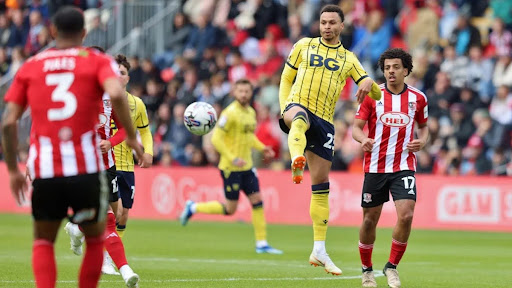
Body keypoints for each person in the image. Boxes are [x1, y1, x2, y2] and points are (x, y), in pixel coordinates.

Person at [1, 6, 140, 288]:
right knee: (95, 238)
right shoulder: (97, 61)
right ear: (84, 33)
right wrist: (133, 138)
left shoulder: (32, 65)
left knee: (43, 240)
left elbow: (8, 122)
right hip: (86, 168)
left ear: (52, 32)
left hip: (46, 168)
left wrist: (13, 168)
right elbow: (116, 93)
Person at [278, 4, 381, 275]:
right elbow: (286, 79)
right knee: (299, 121)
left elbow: (375, 94)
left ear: (341, 26)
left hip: (324, 121)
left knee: (321, 186)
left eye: (332, 22)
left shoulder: (349, 59)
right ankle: (296, 158)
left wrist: (370, 83)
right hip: (298, 105)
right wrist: (284, 107)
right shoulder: (303, 45)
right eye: (323, 22)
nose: (326, 26)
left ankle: (319, 249)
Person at [63, 46, 141, 287]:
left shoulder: (111, 95)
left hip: (107, 165)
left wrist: (111, 141)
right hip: (82, 166)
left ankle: (76, 229)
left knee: (116, 214)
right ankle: (124, 269)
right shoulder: (70, 93)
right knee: (106, 219)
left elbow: (124, 128)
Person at [352, 48, 429, 288]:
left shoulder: (418, 98)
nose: (391, 72)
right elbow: (356, 127)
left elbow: (424, 127)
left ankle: (391, 267)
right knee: (369, 221)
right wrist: (362, 139)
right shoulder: (373, 95)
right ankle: (366, 271)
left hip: (404, 165)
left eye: (395, 67)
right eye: (387, 68)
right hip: (375, 166)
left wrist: (423, 141)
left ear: (406, 70)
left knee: (406, 215)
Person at [180, 78, 282, 255]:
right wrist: (232, 158)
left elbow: (249, 136)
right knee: (230, 209)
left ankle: (262, 243)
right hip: (230, 168)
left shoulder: (251, 112)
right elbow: (216, 139)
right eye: (240, 91)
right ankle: (193, 207)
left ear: (251, 93)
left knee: (257, 201)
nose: (243, 94)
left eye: (246, 91)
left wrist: (262, 147)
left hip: (247, 167)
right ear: (234, 92)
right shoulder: (229, 113)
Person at [111, 53, 154, 238]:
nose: (118, 75)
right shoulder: (102, 100)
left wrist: (149, 152)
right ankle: (105, 254)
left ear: (127, 78)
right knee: (116, 211)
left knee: (124, 215)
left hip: (127, 166)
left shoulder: (137, 104)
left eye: (121, 72)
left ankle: (110, 256)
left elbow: (144, 131)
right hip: (107, 164)